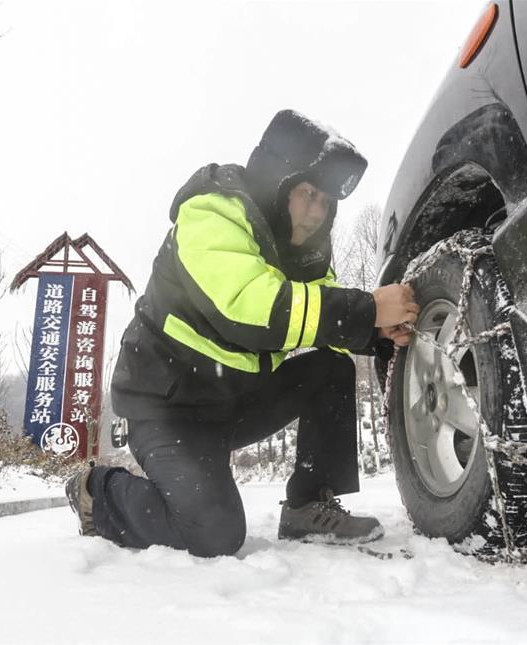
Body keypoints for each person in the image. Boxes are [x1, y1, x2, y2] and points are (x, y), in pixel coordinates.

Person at [65, 110, 418, 557]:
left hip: (233, 400)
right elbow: (249, 307)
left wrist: (378, 331)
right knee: (212, 534)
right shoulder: (213, 212)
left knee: (330, 369)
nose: (316, 212)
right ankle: (98, 489)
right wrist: (367, 308)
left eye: (326, 202)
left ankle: (308, 505)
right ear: (277, 183)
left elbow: (327, 321)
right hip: (167, 408)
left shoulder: (304, 252)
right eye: (308, 194)